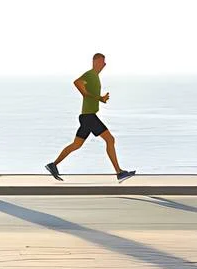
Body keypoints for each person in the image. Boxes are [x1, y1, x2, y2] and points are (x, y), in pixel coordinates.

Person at [45, 52, 135, 181]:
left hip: (86, 117)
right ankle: (119, 172)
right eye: (102, 61)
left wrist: (100, 99)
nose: (104, 64)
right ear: (95, 62)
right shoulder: (90, 74)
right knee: (110, 140)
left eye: (104, 62)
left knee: (76, 145)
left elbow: (89, 93)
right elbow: (76, 82)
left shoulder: (95, 77)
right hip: (89, 117)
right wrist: (86, 94)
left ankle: (53, 165)